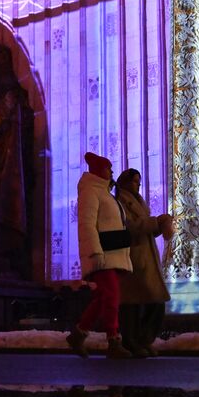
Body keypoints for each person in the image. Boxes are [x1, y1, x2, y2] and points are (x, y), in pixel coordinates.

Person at [69, 152, 132, 359]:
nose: (111, 172)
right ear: (98, 170)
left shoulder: (105, 193)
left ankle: (78, 334)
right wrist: (95, 252)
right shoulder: (90, 192)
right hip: (101, 255)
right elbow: (87, 224)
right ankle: (113, 340)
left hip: (111, 254)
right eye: (108, 168)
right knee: (111, 296)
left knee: (103, 298)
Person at [113, 168, 172, 357]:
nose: (137, 184)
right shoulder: (120, 201)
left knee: (154, 300)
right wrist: (156, 222)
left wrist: (158, 227)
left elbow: (143, 226)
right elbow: (128, 226)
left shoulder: (138, 200)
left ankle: (144, 340)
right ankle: (132, 342)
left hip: (145, 256)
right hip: (133, 257)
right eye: (134, 181)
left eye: (139, 181)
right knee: (132, 303)